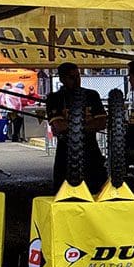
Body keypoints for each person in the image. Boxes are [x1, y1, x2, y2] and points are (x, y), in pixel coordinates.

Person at [45, 62, 106, 191]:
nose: (76, 81)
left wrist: (74, 126)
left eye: (78, 76)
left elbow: (101, 123)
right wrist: (87, 124)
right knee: (64, 190)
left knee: (97, 188)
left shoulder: (91, 95)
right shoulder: (55, 98)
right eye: (71, 78)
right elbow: (59, 125)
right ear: (62, 79)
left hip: (91, 149)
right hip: (65, 150)